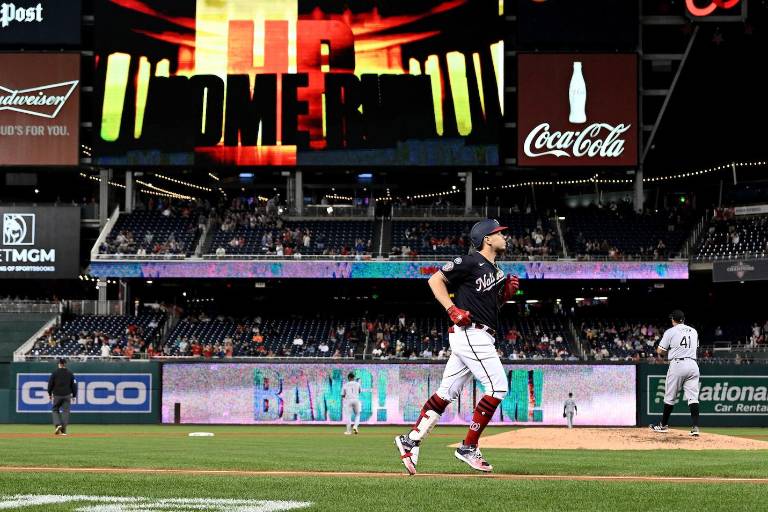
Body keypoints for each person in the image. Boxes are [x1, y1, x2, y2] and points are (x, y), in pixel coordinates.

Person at [394, 219, 519, 474]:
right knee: (498, 387)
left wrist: (503, 297)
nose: (504, 236)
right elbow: (435, 280)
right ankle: (468, 446)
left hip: (480, 334)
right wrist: (451, 309)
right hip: (471, 332)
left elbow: (488, 307)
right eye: (499, 233)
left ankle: (410, 440)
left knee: (446, 392)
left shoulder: (496, 271)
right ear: (487, 239)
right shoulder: (470, 261)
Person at [650, 310, 701, 437]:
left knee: (670, 396)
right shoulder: (693, 331)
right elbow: (695, 347)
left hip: (678, 364)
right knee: (693, 398)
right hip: (693, 364)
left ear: (673, 319)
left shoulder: (670, 331)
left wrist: (671, 351)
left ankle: (663, 425)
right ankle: (695, 427)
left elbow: (660, 351)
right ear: (683, 319)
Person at [47, 358, 77, 436]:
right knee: (65, 411)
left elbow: (50, 384)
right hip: (67, 395)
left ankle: (58, 424)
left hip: (57, 395)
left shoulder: (55, 373)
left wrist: (49, 393)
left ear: (59, 364)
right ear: (65, 364)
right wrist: (74, 395)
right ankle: (63, 431)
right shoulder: (70, 373)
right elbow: (74, 385)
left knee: (55, 409)